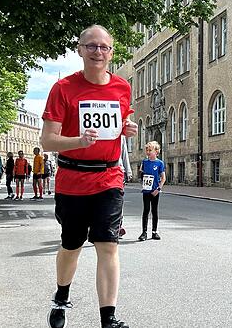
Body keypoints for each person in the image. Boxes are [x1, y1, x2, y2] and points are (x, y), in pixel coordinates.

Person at [41, 25, 137, 328]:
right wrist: (78, 141)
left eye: (104, 47)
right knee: (71, 245)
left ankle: (108, 319)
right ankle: (61, 297)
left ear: (111, 52)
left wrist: (127, 128)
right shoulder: (64, 89)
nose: (98, 52)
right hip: (72, 179)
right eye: (91, 46)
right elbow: (47, 141)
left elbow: (121, 122)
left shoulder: (122, 87)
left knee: (107, 244)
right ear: (80, 50)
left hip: (109, 178)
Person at [138, 141, 166, 241]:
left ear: (156, 152)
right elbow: (142, 174)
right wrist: (141, 175)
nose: (148, 152)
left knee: (154, 211)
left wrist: (158, 189)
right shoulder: (145, 162)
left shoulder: (160, 163)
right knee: (146, 210)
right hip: (146, 191)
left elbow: (163, 178)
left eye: (150, 150)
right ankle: (144, 232)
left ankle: (154, 231)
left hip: (155, 191)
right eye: (147, 150)